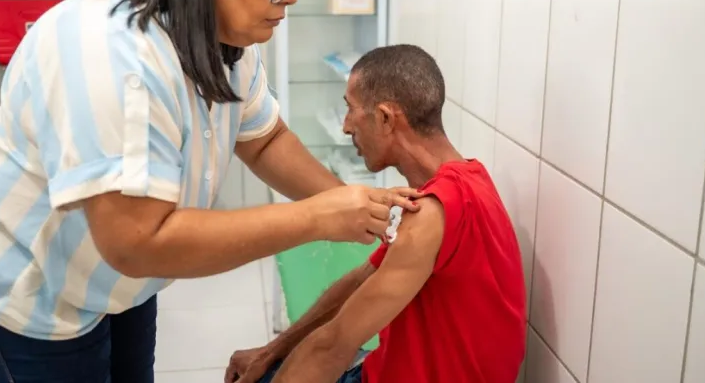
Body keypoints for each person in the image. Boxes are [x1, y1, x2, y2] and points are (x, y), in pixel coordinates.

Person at [0, 0, 420, 383]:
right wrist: (318, 218)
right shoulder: (110, 52)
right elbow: (137, 241)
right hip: (25, 285)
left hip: (116, 276)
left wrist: (354, 206)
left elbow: (264, 138)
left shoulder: (226, 39)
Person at [225, 44, 528, 383]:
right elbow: (360, 281)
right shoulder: (470, 179)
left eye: (350, 109)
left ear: (385, 118)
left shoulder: (432, 212)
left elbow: (332, 345)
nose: (345, 126)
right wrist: (272, 351)